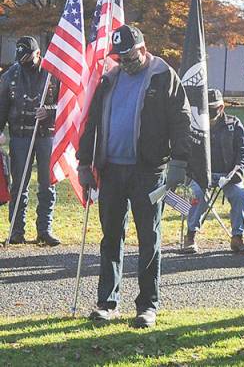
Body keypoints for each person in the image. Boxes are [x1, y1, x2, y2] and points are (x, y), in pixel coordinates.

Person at [77, 25, 191, 328]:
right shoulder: (109, 79)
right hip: (111, 171)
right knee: (111, 238)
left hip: (149, 172)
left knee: (148, 239)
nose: (124, 62)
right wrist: (84, 163)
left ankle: (147, 306)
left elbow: (182, 120)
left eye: (128, 56)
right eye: (120, 57)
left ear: (142, 48)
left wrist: (179, 162)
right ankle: (107, 303)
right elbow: (91, 123)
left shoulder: (163, 76)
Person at [0, 36, 60, 245]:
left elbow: (68, 106)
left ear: (38, 54)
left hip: (46, 137)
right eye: (20, 58)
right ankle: (16, 230)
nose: (24, 62)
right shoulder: (10, 75)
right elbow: (2, 107)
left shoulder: (53, 74)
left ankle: (44, 229)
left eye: (28, 58)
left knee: (47, 184)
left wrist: (50, 111)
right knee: (19, 186)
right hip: (19, 137)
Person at [183, 89, 244, 255]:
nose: (208, 112)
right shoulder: (194, 126)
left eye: (212, 108)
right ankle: (190, 236)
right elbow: (185, 151)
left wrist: (238, 171)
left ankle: (238, 237)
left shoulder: (234, 124)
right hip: (201, 175)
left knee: (240, 195)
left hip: (228, 175)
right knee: (196, 195)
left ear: (221, 107)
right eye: (205, 108)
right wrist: (190, 171)